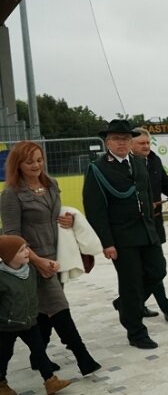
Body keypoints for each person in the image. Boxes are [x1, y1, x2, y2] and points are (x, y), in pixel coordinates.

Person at [1, 141, 102, 376]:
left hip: (58, 259)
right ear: (18, 165)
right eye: (29, 162)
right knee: (58, 306)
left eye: (39, 159)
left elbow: (55, 214)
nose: (36, 165)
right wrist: (37, 261)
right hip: (33, 262)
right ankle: (83, 358)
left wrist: (71, 220)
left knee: (43, 312)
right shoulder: (11, 195)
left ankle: (39, 357)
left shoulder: (51, 184)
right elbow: (12, 235)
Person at [82, 119, 166, 349]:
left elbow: (147, 197)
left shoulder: (139, 163)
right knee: (131, 284)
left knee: (158, 270)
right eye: (117, 139)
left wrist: (153, 228)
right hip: (122, 238)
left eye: (126, 138)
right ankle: (136, 332)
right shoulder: (98, 168)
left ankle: (126, 304)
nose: (122, 143)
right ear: (108, 141)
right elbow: (95, 210)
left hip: (147, 232)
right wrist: (107, 243)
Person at [120, 127, 168, 322]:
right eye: (142, 143)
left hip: (154, 223)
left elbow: (166, 183)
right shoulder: (127, 166)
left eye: (148, 143)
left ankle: (131, 303)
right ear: (131, 145)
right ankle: (165, 308)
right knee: (150, 270)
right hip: (135, 226)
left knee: (155, 268)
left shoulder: (154, 160)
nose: (146, 146)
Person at [0, 235, 71, 395]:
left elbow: (42, 280)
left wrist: (52, 268)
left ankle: (50, 381)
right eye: (21, 250)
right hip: (7, 326)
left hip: (30, 322)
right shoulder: (2, 277)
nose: (27, 252)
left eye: (26, 247)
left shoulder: (31, 270)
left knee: (39, 351)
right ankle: (1, 384)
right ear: (9, 255)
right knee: (4, 354)